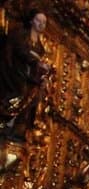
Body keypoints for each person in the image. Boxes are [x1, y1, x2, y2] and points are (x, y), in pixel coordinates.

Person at [0, 10, 52, 142]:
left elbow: (36, 66)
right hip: (14, 72)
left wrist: (42, 75)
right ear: (31, 21)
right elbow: (19, 50)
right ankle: (8, 118)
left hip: (28, 76)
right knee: (22, 90)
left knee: (36, 95)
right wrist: (35, 61)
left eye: (44, 23)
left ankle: (17, 123)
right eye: (38, 21)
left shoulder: (40, 47)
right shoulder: (20, 35)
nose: (41, 24)